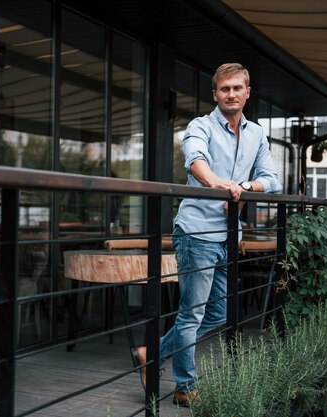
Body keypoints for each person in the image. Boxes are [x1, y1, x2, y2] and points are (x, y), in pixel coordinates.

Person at [133, 63, 282, 406]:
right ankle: (185, 387)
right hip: (197, 231)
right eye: (224, 89)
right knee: (193, 313)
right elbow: (194, 158)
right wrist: (219, 185)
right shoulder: (200, 125)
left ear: (247, 92)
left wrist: (243, 187)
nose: (231, 94)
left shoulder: (258, 134)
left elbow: (271, 179)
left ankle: (149, 352)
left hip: (229, 235)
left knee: (217, 313)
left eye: (237, 88)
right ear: (215, 94)